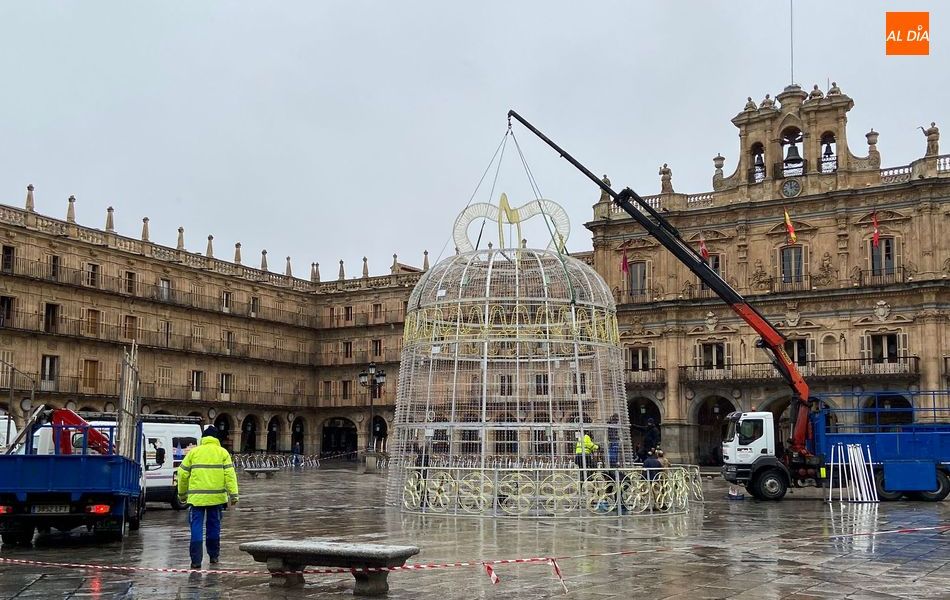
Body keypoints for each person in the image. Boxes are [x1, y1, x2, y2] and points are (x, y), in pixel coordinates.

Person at [177, 425, 239, 569]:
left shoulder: (194, 453)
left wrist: (182, 494)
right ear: (216, 438)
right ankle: (214, 556)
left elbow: (182, 474)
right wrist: (234, 495)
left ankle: (196, 560)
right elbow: (230, 475)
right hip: (216, 499)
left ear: (203, 438)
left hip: (196, 499)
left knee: (196, 528)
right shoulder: (223, 453)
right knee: (214, 527)